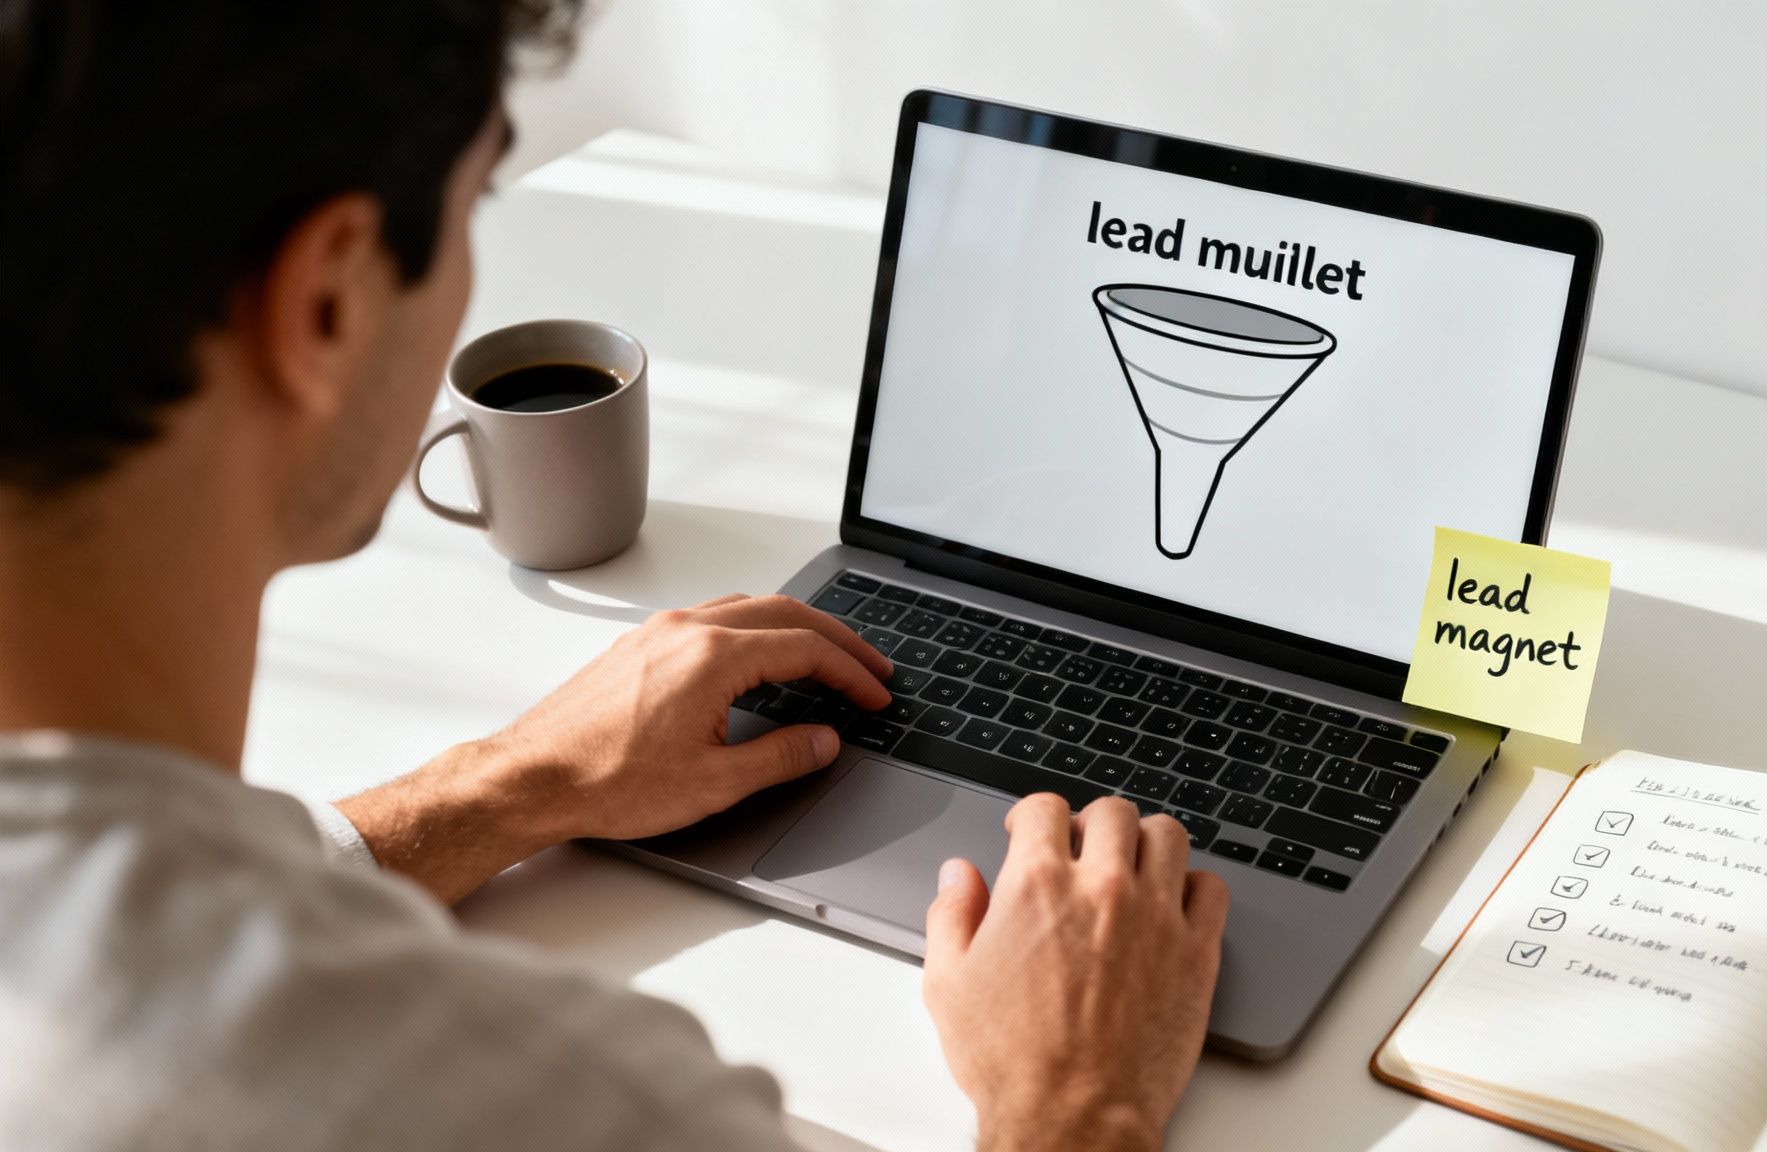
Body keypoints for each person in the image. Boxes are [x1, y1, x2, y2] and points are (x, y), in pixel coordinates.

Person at [0, 4, 1230, 1150]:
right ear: (325, 300)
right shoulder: (552, 1103)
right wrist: (1076, 1103)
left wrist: (505, 786)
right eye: (478, 199)